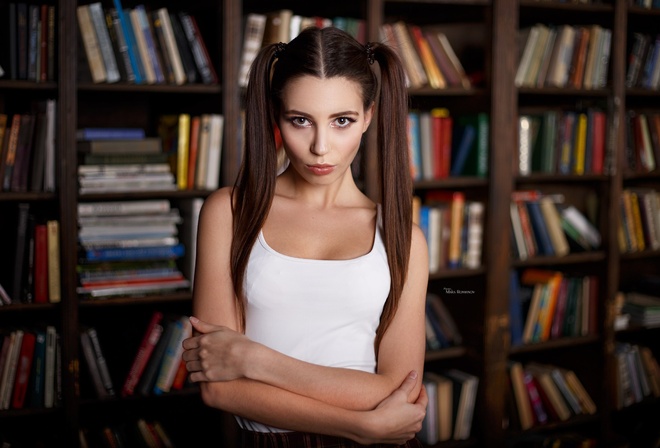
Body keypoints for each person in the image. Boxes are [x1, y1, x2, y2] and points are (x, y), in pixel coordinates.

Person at [181, 25, 429, 447]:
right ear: (277, 116)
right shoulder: (231, 212)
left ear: (368, 116)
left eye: (342, 121)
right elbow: (219, 386)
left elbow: (396, 390)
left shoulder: (404, 237)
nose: (320, 147)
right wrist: (358, 426)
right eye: (300, 120)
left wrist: (253, 358)